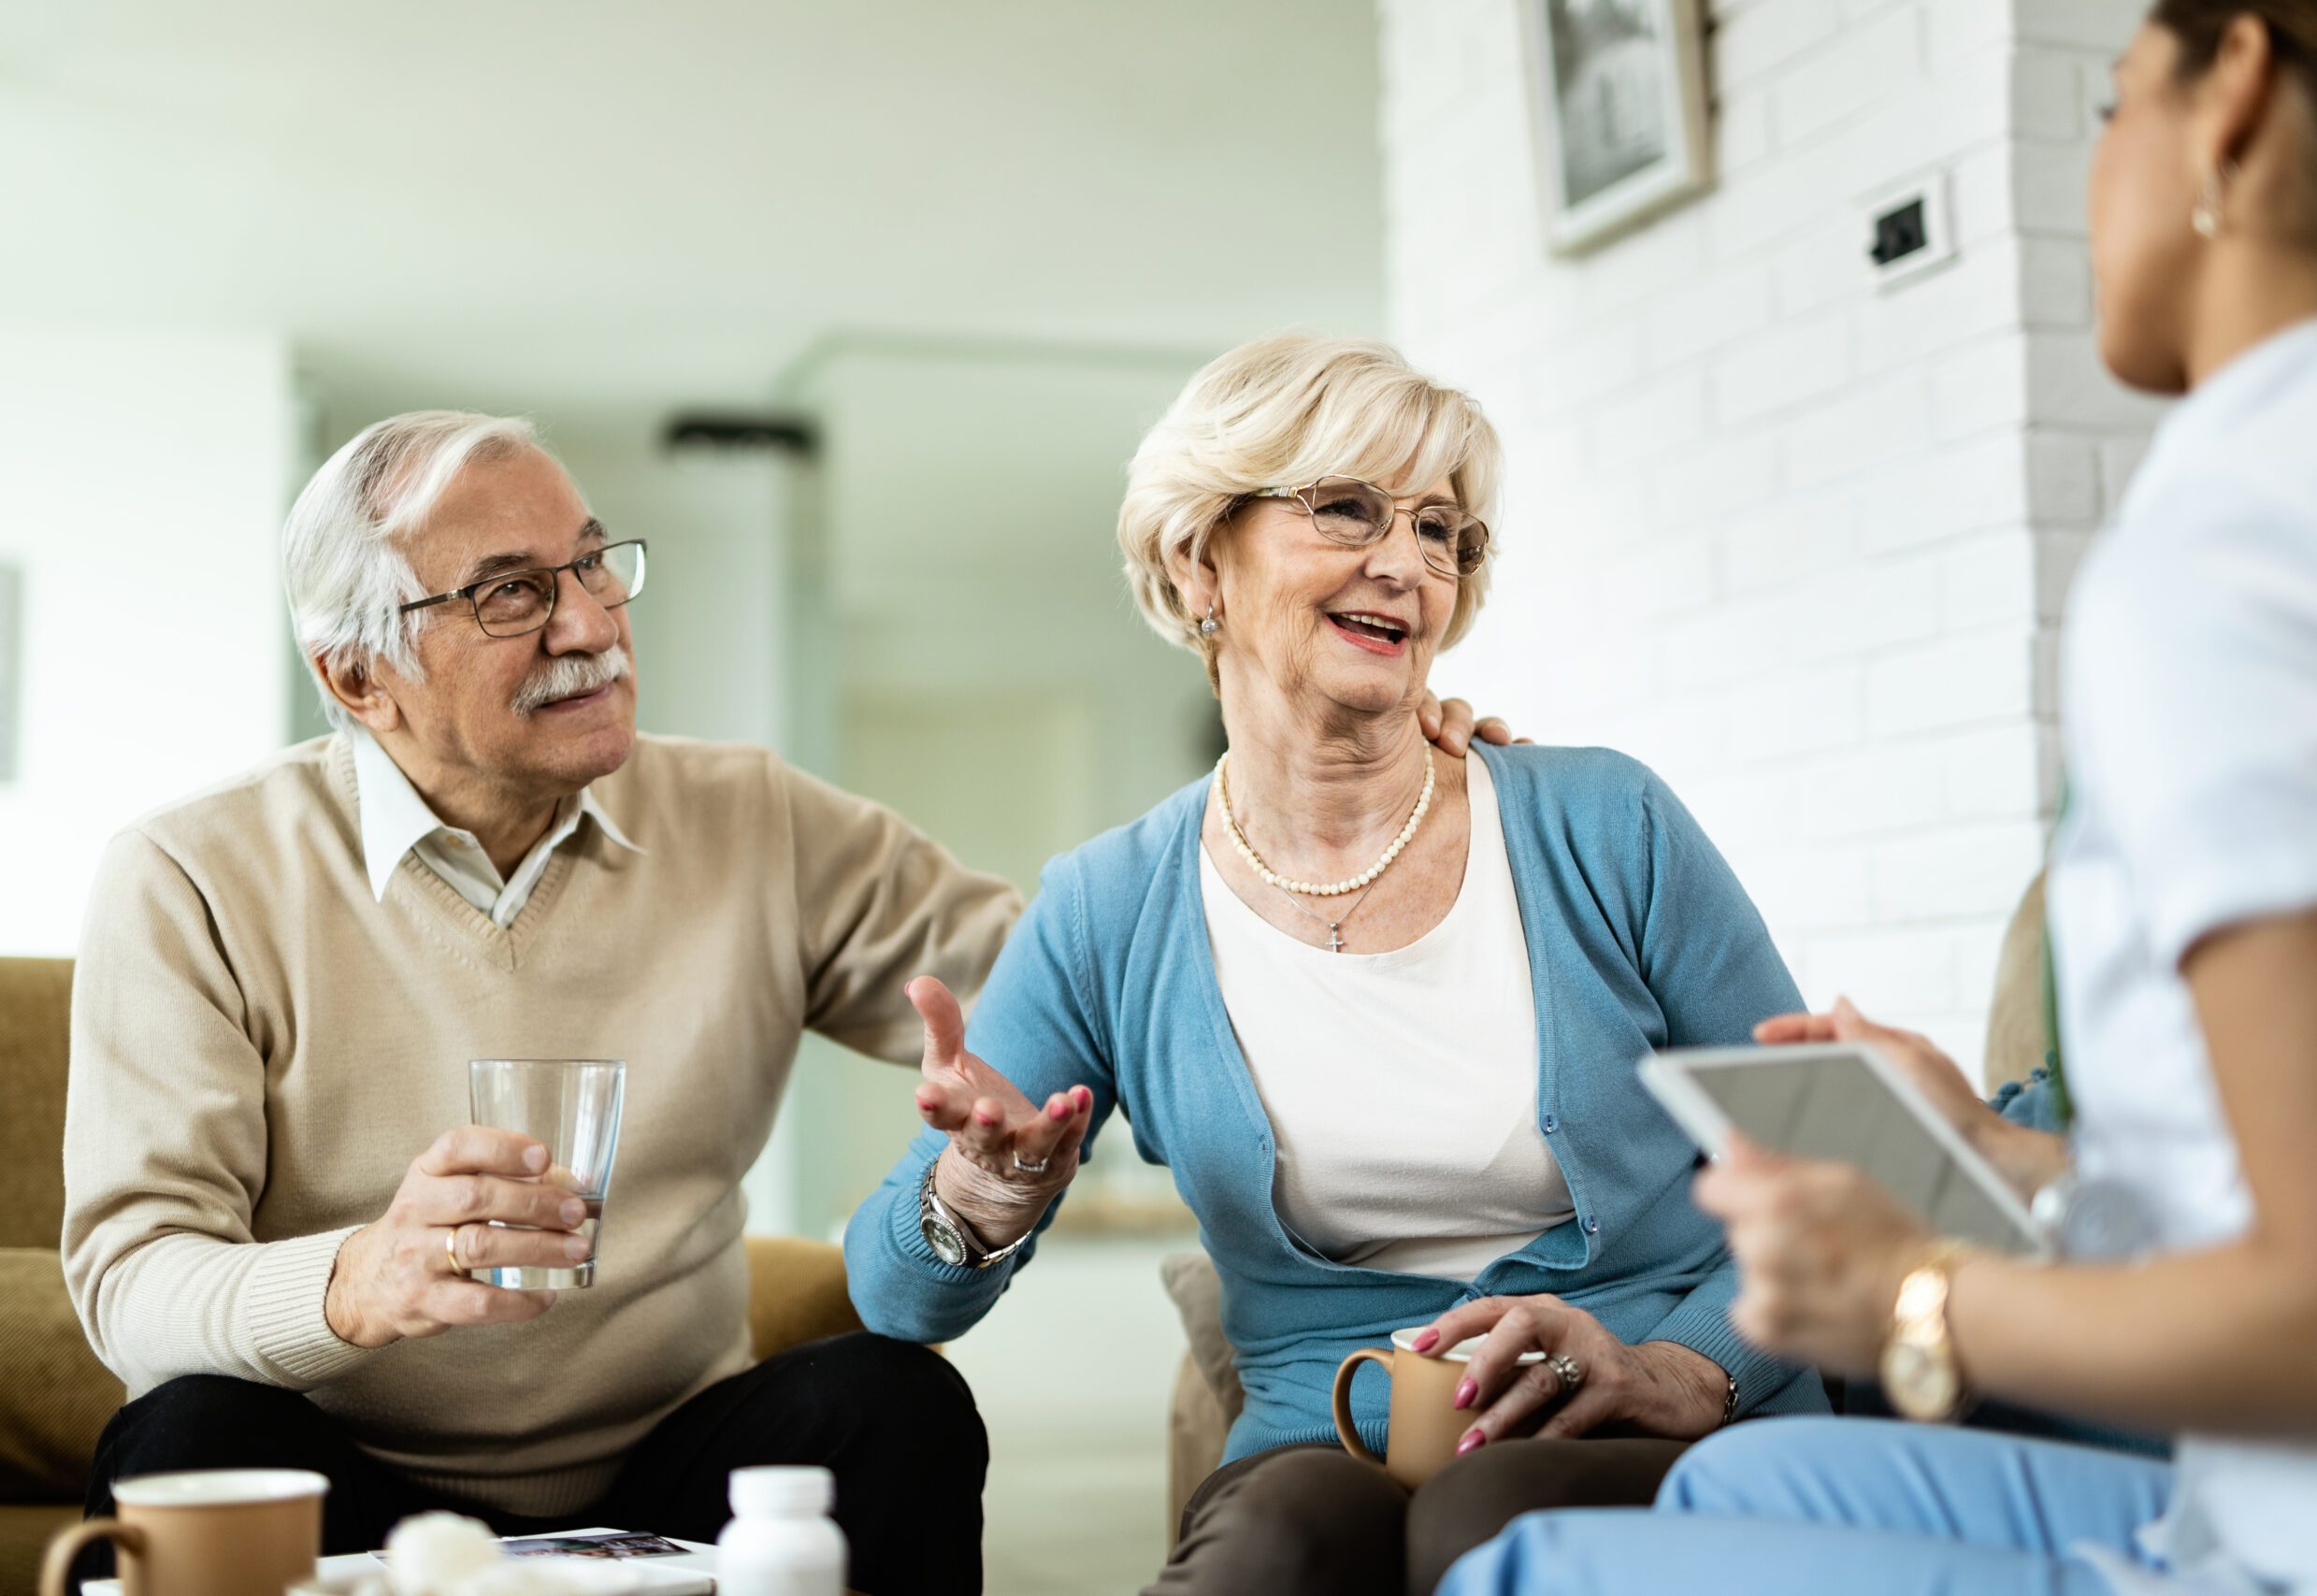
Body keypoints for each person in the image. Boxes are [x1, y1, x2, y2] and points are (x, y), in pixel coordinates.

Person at [58, 408, 1500, 1595]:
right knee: (179, 1433)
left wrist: (1373, 798)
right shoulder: (191, 875)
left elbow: (1090, 970)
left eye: (593, 564)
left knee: (892, 1402)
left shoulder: (748, 819)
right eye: (510, 592)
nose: (591, 623)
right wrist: (353, 1278)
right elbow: (132, 1280)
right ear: (357, 675)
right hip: (350, 1461)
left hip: (672, 1451)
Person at [1441, 3, 2317, 1592]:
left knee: (1520, 1573)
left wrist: (1916, 1301)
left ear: (2231, 95)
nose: (2097, 173)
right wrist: (1990, 1156)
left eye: (2110, 108)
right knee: (1734, 1491)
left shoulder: (2241, 545)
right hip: (2273, 1484)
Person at [842, 333, 1828, 1596]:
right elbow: (891, 1298)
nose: (1407, 563)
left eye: (1442, 531)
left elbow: (1821, 1172)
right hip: (1335, 1427)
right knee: (1273, 1546)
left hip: (1643, 1405)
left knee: (1491, 1512)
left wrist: (1684, 1369)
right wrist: (975, 1200)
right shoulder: (1109, 908)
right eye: (1349, 508)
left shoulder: (1606, 825)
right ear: (1200, 558)